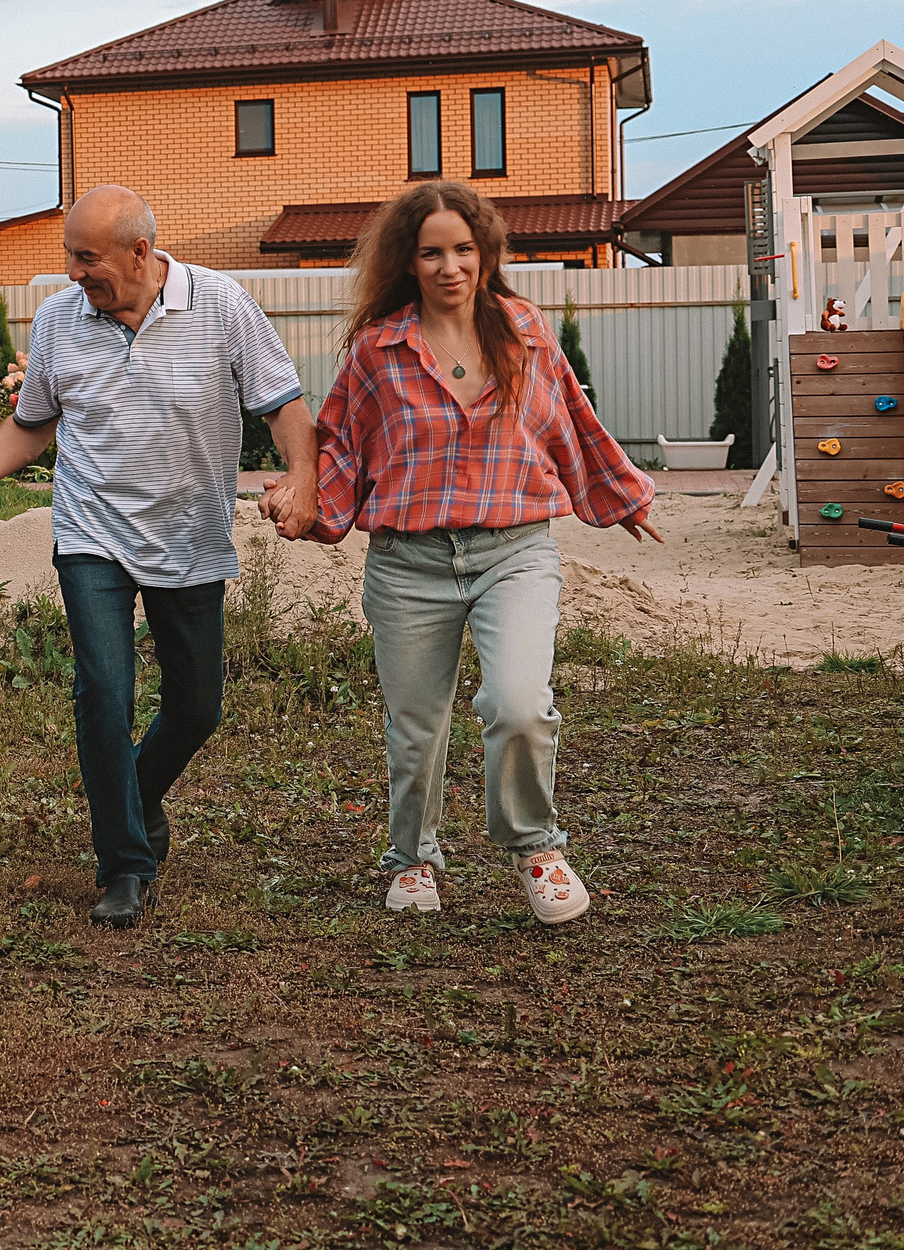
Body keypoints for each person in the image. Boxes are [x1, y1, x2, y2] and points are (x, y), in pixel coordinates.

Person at [273, 182, 658, 924]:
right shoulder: (378, 352)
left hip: (514, 554)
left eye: (463, 249)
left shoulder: (525, 333)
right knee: (416, 726)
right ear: (408, 262)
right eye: (431, 252)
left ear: (484, 253)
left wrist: (623, 497)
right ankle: (412, 860)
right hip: (407, 564)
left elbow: (570, 422)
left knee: (517, 701)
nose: (450, 265)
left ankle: (535, 846)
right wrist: (302, 504)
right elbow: (340, 452)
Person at [0, 185, 315, 928]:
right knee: (103, 694)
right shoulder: (61, 318)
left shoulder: (220, 304)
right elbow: (33, 422)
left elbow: (284, 406)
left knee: (196, 707)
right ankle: (124, 862)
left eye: (86, 257)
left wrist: (304, 477)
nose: (72, 272)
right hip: (91, 528)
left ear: (140, 253)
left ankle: (138, 796)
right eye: (69, 255)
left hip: (190, 533)